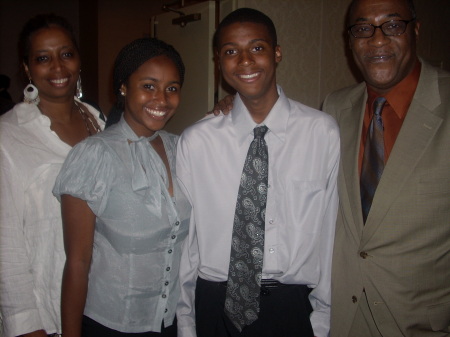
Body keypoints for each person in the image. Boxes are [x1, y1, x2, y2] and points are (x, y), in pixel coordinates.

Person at [176, 8, 340, 337]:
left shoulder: (321, 133)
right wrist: (187, 324)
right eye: (231, 52)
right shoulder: (197, 141)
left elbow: (329, 234)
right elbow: (187, 245)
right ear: (218, 61)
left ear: (277, 53)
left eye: (257, 48)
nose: (245, 61)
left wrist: (321, 321)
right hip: (215, 304)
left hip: (292, 307)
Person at [322, 0, 450, 336]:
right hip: (342, 320)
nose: (377, 40)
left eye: (392, 25)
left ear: (415, 30)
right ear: (350, 41)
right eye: (363, 28)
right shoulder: (335, 108)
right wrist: (242, 105)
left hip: (423, 324)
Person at [52, 37, 190, 337]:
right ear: (124, 87)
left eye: (172, 88)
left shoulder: (183, 149)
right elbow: (77, 262)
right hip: (110, 325)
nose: (162, 99)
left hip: (172, 322)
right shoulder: (94, 155)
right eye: (149, 86)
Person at [0, 14, 104, 337]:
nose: (58, 67)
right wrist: (27, 326)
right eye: (43, 58)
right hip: (45, 316)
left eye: (66, 54)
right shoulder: (8, 136)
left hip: (101, 306)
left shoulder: (98, 122)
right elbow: (6, 244)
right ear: (28, 69)